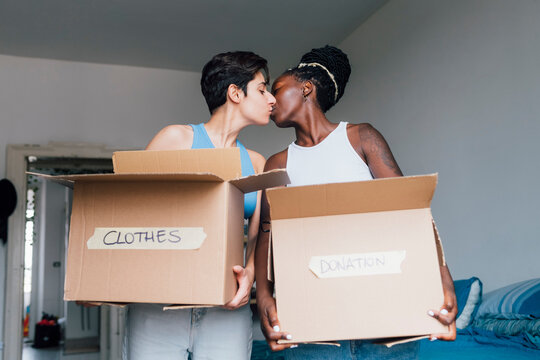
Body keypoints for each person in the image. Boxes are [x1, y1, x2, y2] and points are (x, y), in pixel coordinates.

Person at [254, 45, 457, 360]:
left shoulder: (361, 138)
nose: (269, 100)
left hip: (386, 318)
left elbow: (410, 209)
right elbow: (267, 234)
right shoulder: (277, 163)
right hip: (315, 327)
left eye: (276, 89)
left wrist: (443, 278)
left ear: (306, 88)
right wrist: (266, 297)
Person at [124, 51, 276, 360]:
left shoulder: (258, 163)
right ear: (235, 92)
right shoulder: (175, 140)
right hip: (160, 307)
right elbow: (127, 212)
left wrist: (249, 277)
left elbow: (258, 238)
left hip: (226, 309)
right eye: (262, 89)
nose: (271, 99)